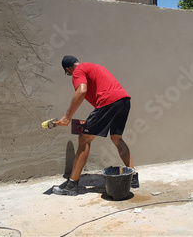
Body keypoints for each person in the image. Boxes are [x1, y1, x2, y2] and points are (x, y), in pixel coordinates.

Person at [52, 55, 139, 196]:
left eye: (68, 73)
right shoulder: (93, 67)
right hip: (123, 100)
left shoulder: (78, 71)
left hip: (108, 102)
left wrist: (67, 117)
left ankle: (71, 186)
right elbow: (103, 109)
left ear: (69, 69)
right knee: (117, 138)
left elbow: (81, 91)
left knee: (84, 140)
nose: (71, 76)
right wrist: (91, 123)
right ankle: (133, 178)